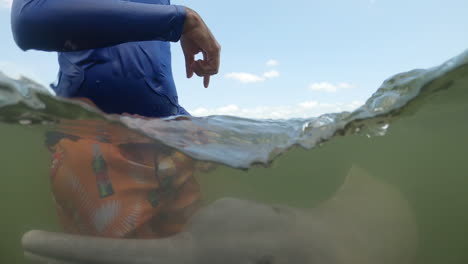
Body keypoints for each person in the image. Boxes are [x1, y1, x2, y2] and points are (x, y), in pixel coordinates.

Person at [11, 0, 220, 238]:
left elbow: (149, 73)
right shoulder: (175, 18)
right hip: (93, 142)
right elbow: (28, 19)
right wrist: (181, 19)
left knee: (193, 254)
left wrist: (182, 121)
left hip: (167, 145)